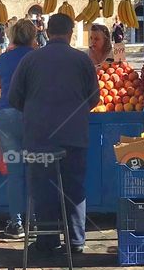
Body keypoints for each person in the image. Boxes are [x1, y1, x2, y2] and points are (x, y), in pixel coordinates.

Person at [7, 13, 100, 255]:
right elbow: (94, 98)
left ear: (47, 33)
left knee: (43, 188)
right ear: (71, 33)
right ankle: (76, 241)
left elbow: (14, 98)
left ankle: (47, 241)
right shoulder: (82, 60)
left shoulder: (30, 60)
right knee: (74, 187)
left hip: (39, 137)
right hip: (74, 136)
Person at [0, 19, 37, 239]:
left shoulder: (5, 58)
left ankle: (16, 223)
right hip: (33, 115)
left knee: (15, 171)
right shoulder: (38, 57)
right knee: (35, 168)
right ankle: (34, 219)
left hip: (8, 114)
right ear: (33, 36)